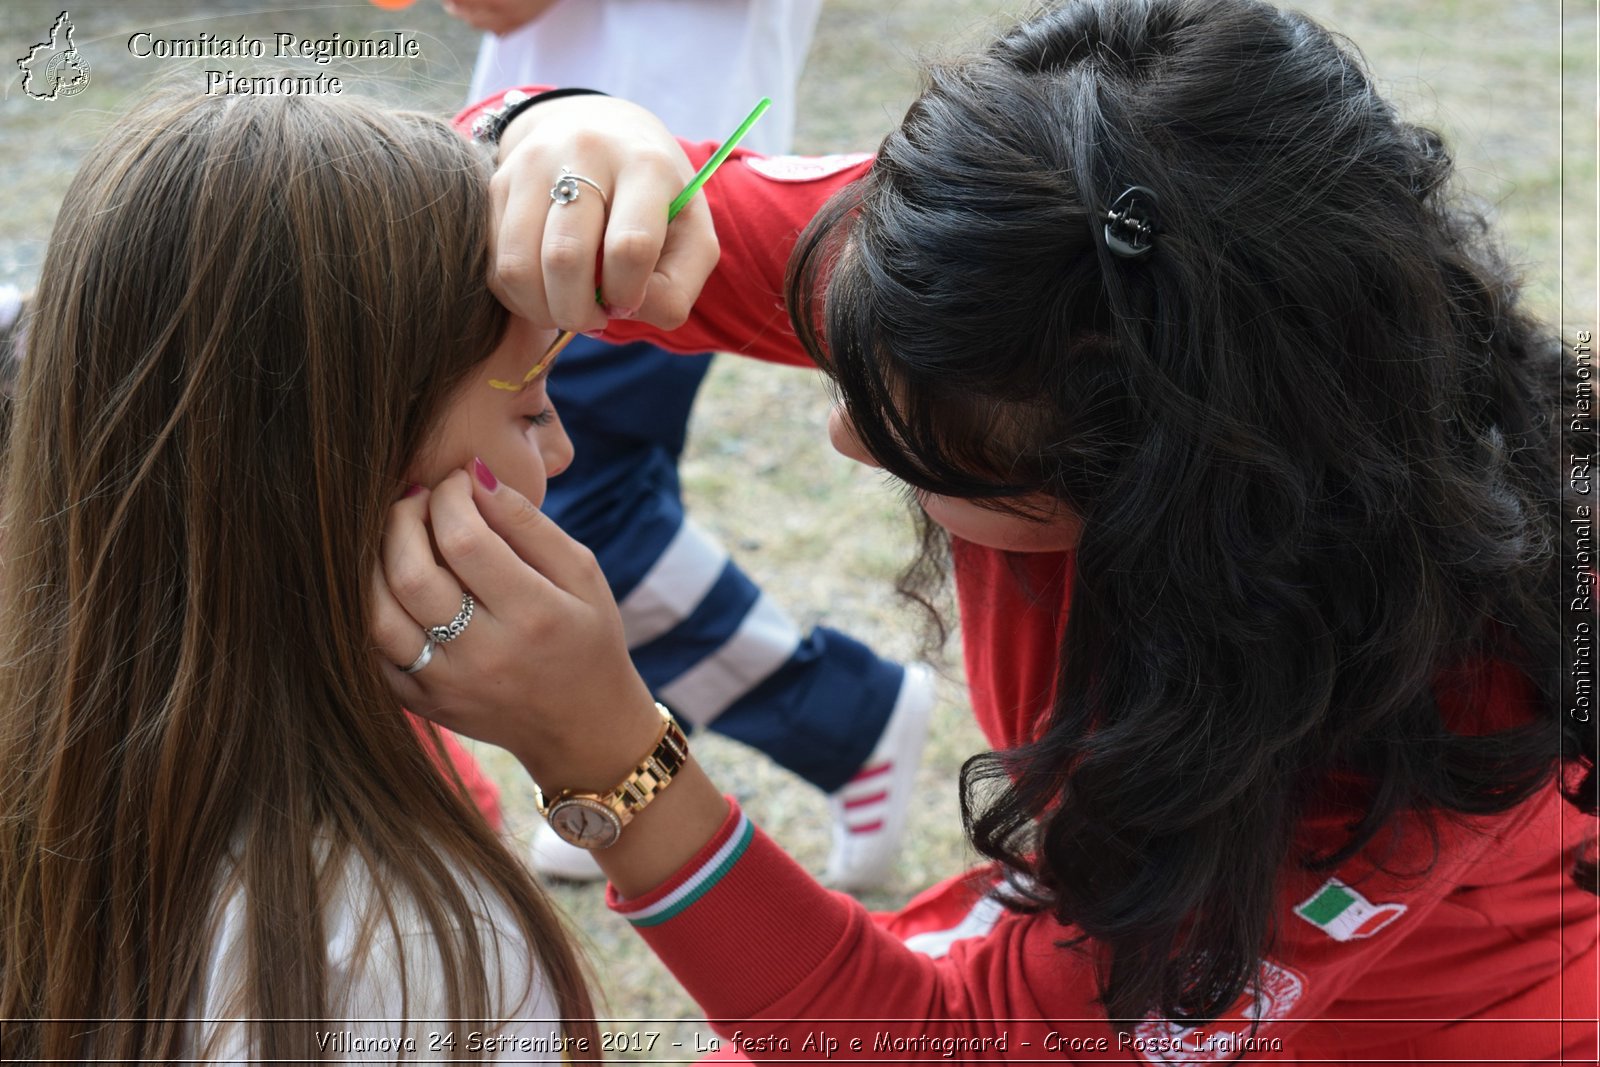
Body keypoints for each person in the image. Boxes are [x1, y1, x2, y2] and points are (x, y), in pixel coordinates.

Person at [381, 0, 1597, 1059]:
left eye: (920, 454)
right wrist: (546, 132)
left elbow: (955, 1051)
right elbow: (456, 193)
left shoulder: (1438, 712)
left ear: (1143, 498)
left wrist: (614, 758)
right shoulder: (998, 268)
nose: (846, 438)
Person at [0, 91, 628, 1061]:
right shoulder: (412, 957)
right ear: (359, 468)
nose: (566, 447)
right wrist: (608, 746)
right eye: (533, 403)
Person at [445, 0, 933, 889]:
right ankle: (799, 720)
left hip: (661, 198)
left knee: (578, 502)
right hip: (554, 166)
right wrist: (526, 118)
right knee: (591, 493)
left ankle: (843, 714)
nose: (850, 435)